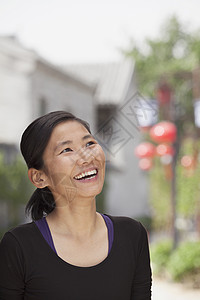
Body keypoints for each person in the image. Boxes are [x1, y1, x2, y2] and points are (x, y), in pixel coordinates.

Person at [0, 111, 152, 299]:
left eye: (89, 143)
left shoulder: (132, 235)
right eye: (67, 150)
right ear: (39, 177)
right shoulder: (19, 246)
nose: (87, 158)